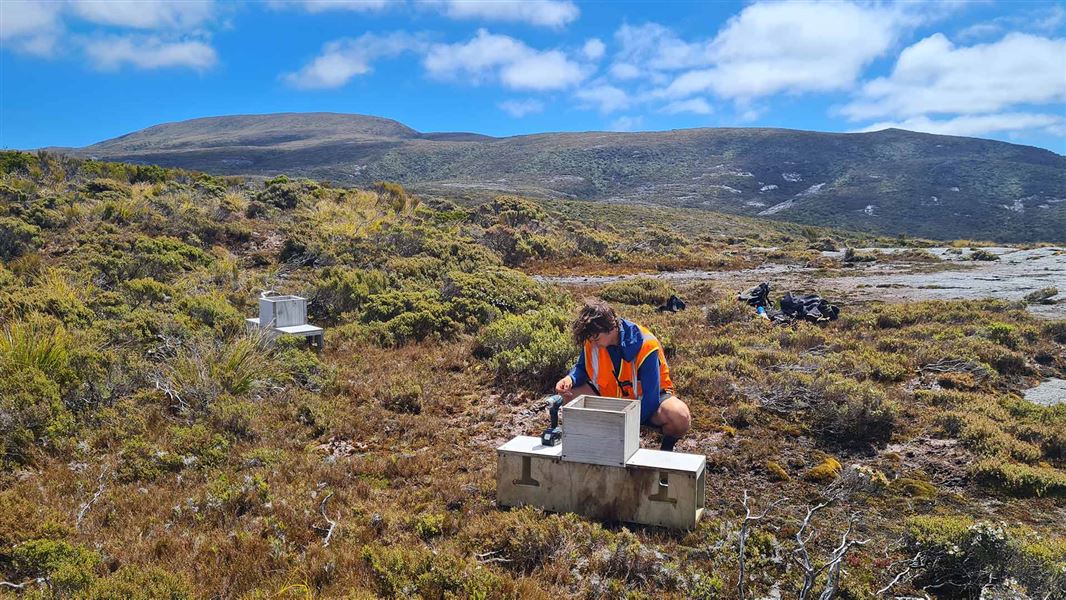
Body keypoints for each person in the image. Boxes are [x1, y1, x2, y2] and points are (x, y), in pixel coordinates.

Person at [555, 299, 691, 451]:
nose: (593, 343)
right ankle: (587, 444)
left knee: (679, 416)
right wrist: (570, 378)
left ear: (611, 328)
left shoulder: (646, 346)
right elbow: (582, 368)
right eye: (590, 339)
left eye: (596, 339)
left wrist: (624, 426)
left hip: (646, 404)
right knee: (570, 394)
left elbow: (651, 399)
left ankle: (665, 452)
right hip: (611, 398)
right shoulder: (593, 338)